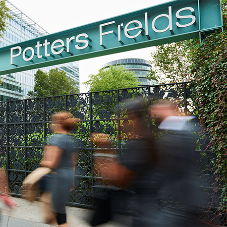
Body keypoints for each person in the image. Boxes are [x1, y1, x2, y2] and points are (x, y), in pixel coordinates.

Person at [93, 97, 159, 226]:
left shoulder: (138, 145)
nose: (120, 124)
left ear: (133, 119)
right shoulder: (150, 141)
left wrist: (103, 148)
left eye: (123, 119)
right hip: (149, 211)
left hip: (144, 216)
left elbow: (118, 179)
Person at [149, 100, 207, 226]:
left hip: (180, 200)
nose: (156, 113)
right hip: (180, 201)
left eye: (160, 110)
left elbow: (170, 167)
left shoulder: (179, 132)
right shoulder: (174, 131)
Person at [40, 112, 80, 227]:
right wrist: (71, 181)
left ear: (57, 124)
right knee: (59, 210)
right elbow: (73, 164)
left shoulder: (56, 139)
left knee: (59, 214)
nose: (51, 125)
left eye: (52, 122)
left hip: (58, 177)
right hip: (67, 176)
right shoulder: (70, 140)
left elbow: (52, 163)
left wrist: (43, 161)